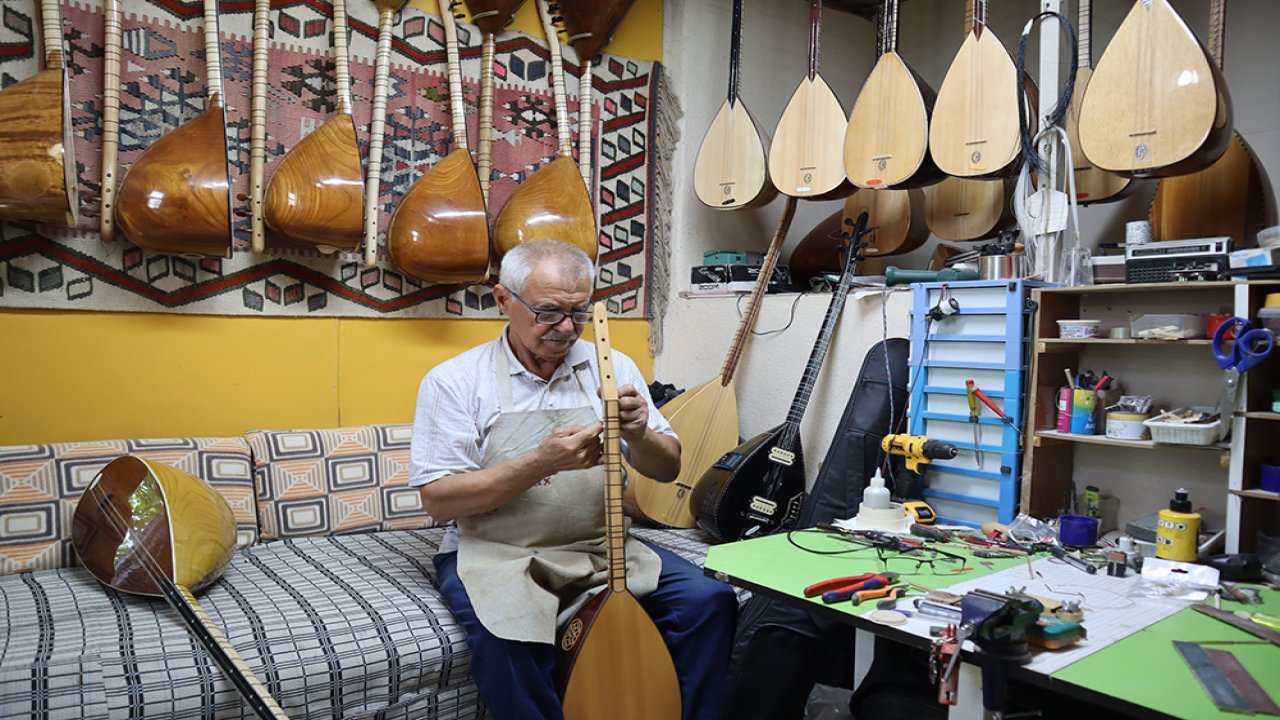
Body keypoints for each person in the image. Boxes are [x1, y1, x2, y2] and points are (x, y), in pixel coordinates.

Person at [410, 239, 737, 720]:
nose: (566, 329)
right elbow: (439, 501)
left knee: (708, 602)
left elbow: (666, 469)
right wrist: (540, 462)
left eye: (579, 312)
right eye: (548, 312)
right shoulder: (456, 381)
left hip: (599, 544)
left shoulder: (611, 367)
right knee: (507, 638)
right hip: (499, 552)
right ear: (503, 301)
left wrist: (641, 432)